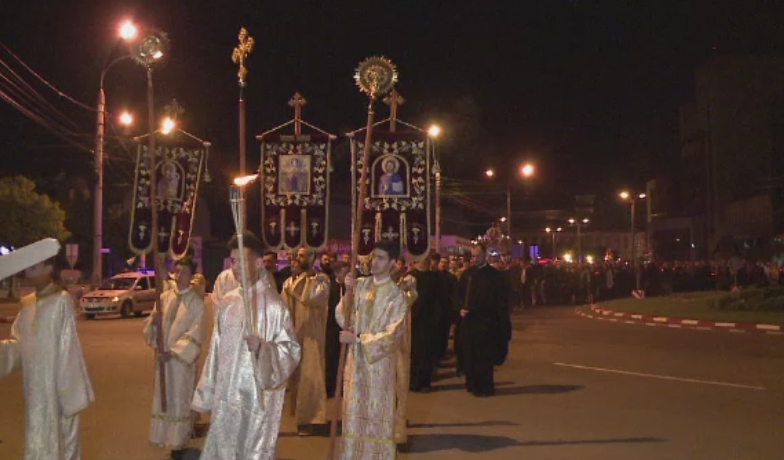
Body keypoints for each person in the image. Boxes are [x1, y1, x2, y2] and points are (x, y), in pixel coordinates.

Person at [192, 232, 301, 460]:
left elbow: (290, 349)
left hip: (256, 397)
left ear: (259, 262)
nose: (236, 267)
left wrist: (263, 348)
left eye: (242, 260)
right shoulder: (228, 302)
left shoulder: (273, 304)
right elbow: (215, 350)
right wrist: (207, 392)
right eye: (233, 261)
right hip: (226, 395)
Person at [0, 256, 94, 460]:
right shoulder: (27, 303)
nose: (28, 271)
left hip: (57, 388)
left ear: (49, 267)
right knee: (36, 436)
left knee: (60, 442)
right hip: (33, 388)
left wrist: (68, 394)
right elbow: (19, 345)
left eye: (34, 266)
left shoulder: (61, 300)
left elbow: (68, 347)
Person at [336, 239, 408, 460]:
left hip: (379, 366)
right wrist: (347, 292)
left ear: (393, 263)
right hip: (355, 365)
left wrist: (357, 339)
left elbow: (391, 336)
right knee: (354, 416)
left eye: (381, 258)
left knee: (376, 416)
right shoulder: (360, 285)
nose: (374, 262)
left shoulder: (397, 297)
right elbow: (342, 316)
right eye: (373, 256)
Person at [143, 256, 205, 459]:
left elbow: (195, 333)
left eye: (184, 272)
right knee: (164, 399)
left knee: (178, 400)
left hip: (180, 363)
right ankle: (167, 439)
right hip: (163, 360)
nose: (179, 276)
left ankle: (178, 445)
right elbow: (151, 326)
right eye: (177, 272)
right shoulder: (165, 297)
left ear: (192, 276)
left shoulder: (196, 303)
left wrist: (173, 352)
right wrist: (154, 321)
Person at [280, 247, 330, 436]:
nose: (297, 259)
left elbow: (311, 298)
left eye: (302, 256)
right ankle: (300, 417)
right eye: (296, 256)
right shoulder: (289, 282)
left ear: (312, 257)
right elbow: (283, 308)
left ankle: (312, 419)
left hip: (312, 335)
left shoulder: (321, 280)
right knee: (297, 379)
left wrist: (298, 280)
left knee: (311, 377)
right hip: (294, 335)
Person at [457, 243, 510, 397]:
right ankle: (472, 383)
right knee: (470, 355)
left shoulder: (494, 276)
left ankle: (485, 386)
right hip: (470, 323)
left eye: (477, 256)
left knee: (485, 356)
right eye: (472, 256)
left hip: (487, 323)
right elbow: (458, 296)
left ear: (484, 255)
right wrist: (460, 309)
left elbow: (501, 301)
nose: (474, 259)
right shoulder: (467, 275)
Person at [390, 257, 418, 448]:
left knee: (399, 386)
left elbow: (407, 301)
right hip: (380, 345)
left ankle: (398, 433)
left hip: (400, 344)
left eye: (398, 264)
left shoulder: (407, 285)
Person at [324, 261, 349, 398]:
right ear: (337, 273)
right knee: (331, 358)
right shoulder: (330, 288)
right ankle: (331, 387)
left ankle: (344, 387)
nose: (347, 276)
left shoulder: (350, 288)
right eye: (344, 273)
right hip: (332, 329)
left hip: (346, 329)